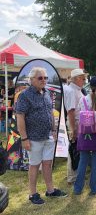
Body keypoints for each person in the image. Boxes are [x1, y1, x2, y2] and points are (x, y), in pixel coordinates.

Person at [15, 67, 67, 205]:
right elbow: (20, 117)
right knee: (34, 165)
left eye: (45, 78)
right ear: (31, 80)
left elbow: (50, 112)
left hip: (48, 136)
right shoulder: (24, 95)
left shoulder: (46, 93)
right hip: (33, 138)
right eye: (40, 78)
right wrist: (24, 138)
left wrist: (54, 130)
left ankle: (50, 190)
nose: (43, 80)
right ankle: (32, 194)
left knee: (47, 163)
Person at [73, 77, 96, 195]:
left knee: (83, 160)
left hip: (84, 134)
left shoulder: (82, 100)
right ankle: (94, 189)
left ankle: (78, 188)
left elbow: (78, 116)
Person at [64, 69, 87, 184]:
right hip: (75, 123)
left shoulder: (76, 90)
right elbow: (71, 111)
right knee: (73, 150)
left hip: (78, 122)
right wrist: (73, 129)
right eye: (83, 78)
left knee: (76, 149)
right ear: (77, 78)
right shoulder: (72, 91)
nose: (85, 80)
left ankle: (75, 174)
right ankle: (72, 177)